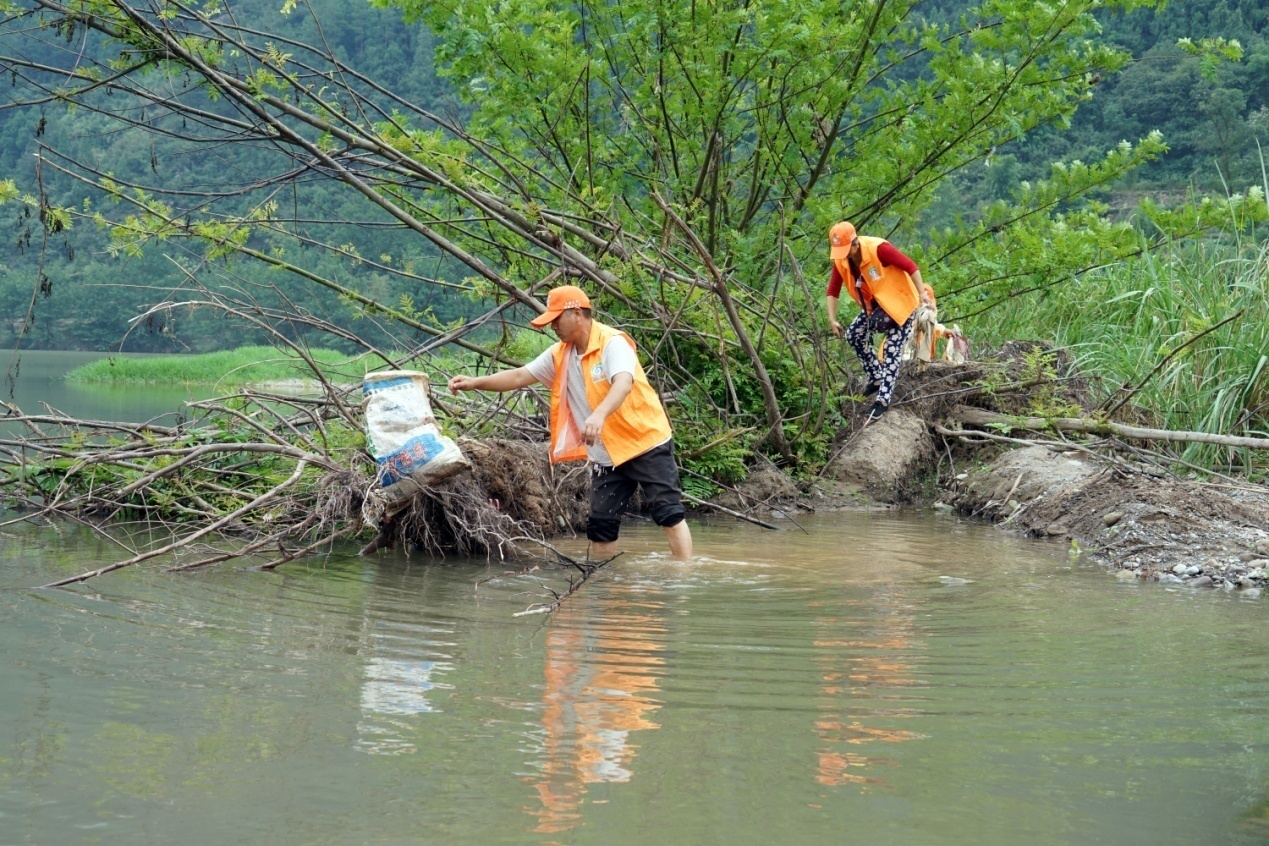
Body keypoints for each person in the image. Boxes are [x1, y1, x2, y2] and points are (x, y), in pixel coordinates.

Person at [447, 285, 693, 559]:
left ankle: (683, 577)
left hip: (644, 442)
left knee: (668, 513)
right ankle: (603, 580)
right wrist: (474, 383)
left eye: (556, 319)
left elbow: (623, 383)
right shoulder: (560, 354)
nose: (552, 326)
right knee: (601, 526)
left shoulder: (612, 343)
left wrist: (598, 414)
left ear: (577, 313)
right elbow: (519, 376)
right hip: (606, 454)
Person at [825, 221, 934, 423]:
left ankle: (883, 402)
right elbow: (833, 290)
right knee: (854, 335)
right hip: (875, 307)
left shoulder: (878, 249)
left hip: (902, 303)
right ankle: (876, 376)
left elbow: (911, 266)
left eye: (846, 250)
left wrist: (921, 293)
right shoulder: (841, 261)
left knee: (892, 348)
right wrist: (832, 319)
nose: (843, 255)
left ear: (855, 242)